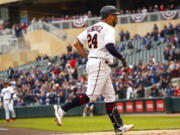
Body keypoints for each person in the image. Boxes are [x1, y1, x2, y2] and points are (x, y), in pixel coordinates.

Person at [54, 5, 134, 135]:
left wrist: (87, 56)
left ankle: (119, 127)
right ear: (109, 16)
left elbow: (77, 43)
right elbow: (110, 47)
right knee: (91, 96)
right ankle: (62, 109)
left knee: (110, 96)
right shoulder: (108, 28)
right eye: (115, 15)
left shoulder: (92, 27)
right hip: (99, 63)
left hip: (97, 62)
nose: (116, 18)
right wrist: (122, 58)